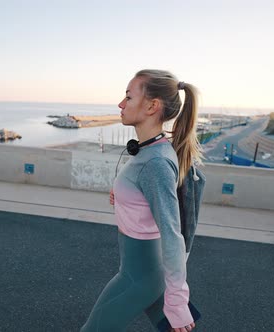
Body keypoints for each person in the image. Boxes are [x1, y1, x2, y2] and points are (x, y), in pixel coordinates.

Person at [80, 69, 203, 332]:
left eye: (128, 97)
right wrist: (124, 197)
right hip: (142, 271)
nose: (121, 104)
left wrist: (177, 302)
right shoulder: (151, 150)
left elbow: (172, 236)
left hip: (140, 277)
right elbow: (146, 198)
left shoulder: (155, 162)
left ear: (152, 106)